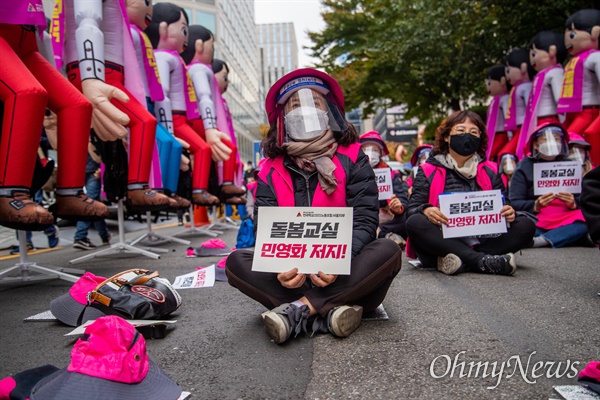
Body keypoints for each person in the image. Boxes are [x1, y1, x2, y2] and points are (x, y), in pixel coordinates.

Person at [225, 68, 402, 344]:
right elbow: (264, 231)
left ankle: (298, 310)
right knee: (236, 262)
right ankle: (330, 311)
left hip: (347, 272)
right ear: (283, 118)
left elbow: (366, 220)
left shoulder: (354, 157)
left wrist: (339, 263)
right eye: (295, 105)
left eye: (314, 103)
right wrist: (279, 270)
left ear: (329, 111)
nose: (305, 110)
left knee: (388, 250)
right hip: (293, 278)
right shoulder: (268, 171)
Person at [406, 110, 536, 276]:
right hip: (443, 238)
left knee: (526, 225)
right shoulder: (427, 170)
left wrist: (508, 211)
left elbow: (504, 203)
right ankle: (482, 261)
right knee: (415, 222)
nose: (467, 136)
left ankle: (464, 260)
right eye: (460, 130)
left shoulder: (491, 170)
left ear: (480, 138)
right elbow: (413, 208)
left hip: (484, 237)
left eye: (473, 132)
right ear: (447, 136)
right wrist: (427, 210)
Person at [510, 122, 591, 248]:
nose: (552, 142)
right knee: (520, 226)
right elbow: (514, 202)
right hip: (536, 218)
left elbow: (585, 199)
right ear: (536, 144)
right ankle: (568, 237)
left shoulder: (570, 165)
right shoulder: (524, 166)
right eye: (546, 139)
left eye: (556, 138)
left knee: (589, 220)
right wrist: (535, 205)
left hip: (567, 216)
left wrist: (574, 203)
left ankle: (543, 241)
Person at [359, 131, 409, 242]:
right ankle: (385, 235)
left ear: (381, 153)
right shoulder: (353, 173)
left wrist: (398, 207)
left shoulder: (391, 175)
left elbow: (402, 198)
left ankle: (382, 233)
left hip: (386, 217)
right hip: (362, 216)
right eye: (366, 149)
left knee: (409, 218)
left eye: (375, 150)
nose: (370, 153)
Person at [73, 149, 111, 250]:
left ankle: (104, 235)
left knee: (94, 203)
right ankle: (80, 237)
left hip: (79, 168)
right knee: (90, 204)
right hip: (91, 168)